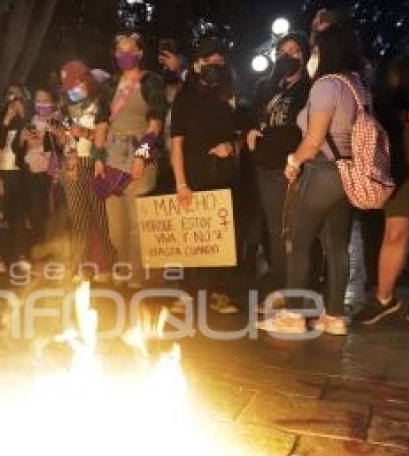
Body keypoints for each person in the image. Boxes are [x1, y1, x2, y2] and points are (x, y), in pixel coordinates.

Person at [260, 25, 365, 336]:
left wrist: (293, 161)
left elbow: (314, 138)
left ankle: (293, 315)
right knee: (337, 248)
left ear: (327, 51)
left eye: (316, 49)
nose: (312, 55)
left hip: (321, 172)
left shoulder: (325, 86)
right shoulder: (356, 85)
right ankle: (334, 317)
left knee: (299, 243)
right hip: (347, 172)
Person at [355, 47, 409, 331]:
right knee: (395, 231)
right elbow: (381, 109)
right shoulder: (403, 67)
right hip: (405, 159)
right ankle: (383, 297)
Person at [170, 38, 241, 314]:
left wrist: (231, 147)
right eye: (208, 61)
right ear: (197, 64)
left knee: (222, 237)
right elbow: (176, 143)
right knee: (192, 236)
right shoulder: (185, 96)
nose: (213, 66)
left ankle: (218, 292)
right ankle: (187, 293)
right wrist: (181, 183)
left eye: (219, 62)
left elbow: (240, 136)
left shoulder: (228, 96)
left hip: (224, 176)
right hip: (193, 175)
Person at [96, 33, 167, 288]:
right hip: (112, 153)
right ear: (115, 55)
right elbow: (101, 123)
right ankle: (122, 269)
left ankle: (137, 275)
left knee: (138, 222)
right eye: (119, 51)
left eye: (129, 50)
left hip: (140, 149)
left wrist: (142, 156)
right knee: (116, 224)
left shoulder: (152, 82)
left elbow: (156, 123)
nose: (124, 55)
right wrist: (98, 157)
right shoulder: (109, 85)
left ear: (139, 53)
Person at [246, 32, 311, 308]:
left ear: (305, 55)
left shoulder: (311, 88)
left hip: (296, 167)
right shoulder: (265, 86)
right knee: (275, 229)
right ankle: (281, 283)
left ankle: (297, 287)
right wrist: (250, 129)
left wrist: (297, 159)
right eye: (283, 52)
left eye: (294, 51)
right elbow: (253, 115)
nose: (288, 56)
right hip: (266, 165)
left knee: (295, 230)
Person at [55, 60, 113, 278]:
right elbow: (65, 136)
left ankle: (109, 267)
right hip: (71, 163)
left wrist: (86, 134)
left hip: (95, 162)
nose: (71, 92)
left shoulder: (102, 104)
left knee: (101, 217)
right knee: (78, 218)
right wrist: (62, 136)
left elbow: (109, 138)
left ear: (85, 81)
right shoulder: (67, 106)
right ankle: (82, 267)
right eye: (67, 89)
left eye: (74, 87)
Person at [18, 87, 63, 259]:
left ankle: (52, 250)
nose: (41, 104)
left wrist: (54, 135)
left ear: (53, 102)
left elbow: (58, 147)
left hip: (51, 172)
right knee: (34, 213)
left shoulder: (58, 121)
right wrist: (23, 140)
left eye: (45, 101)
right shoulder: (31, 121)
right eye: (38, 100)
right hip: (32, 170)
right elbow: (20, 149)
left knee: (50, 212)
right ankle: (38, 250)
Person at [0, 83, 30, 270]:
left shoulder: (26, 117)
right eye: (10, 95)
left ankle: (20, 254)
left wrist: (22, 117)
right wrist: (7, 119)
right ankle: (0, 256)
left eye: (17, 96)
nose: (13, 100)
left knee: (19, 214)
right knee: (1, 214)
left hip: (20, 172)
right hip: (2, 170)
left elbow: (29, 142)